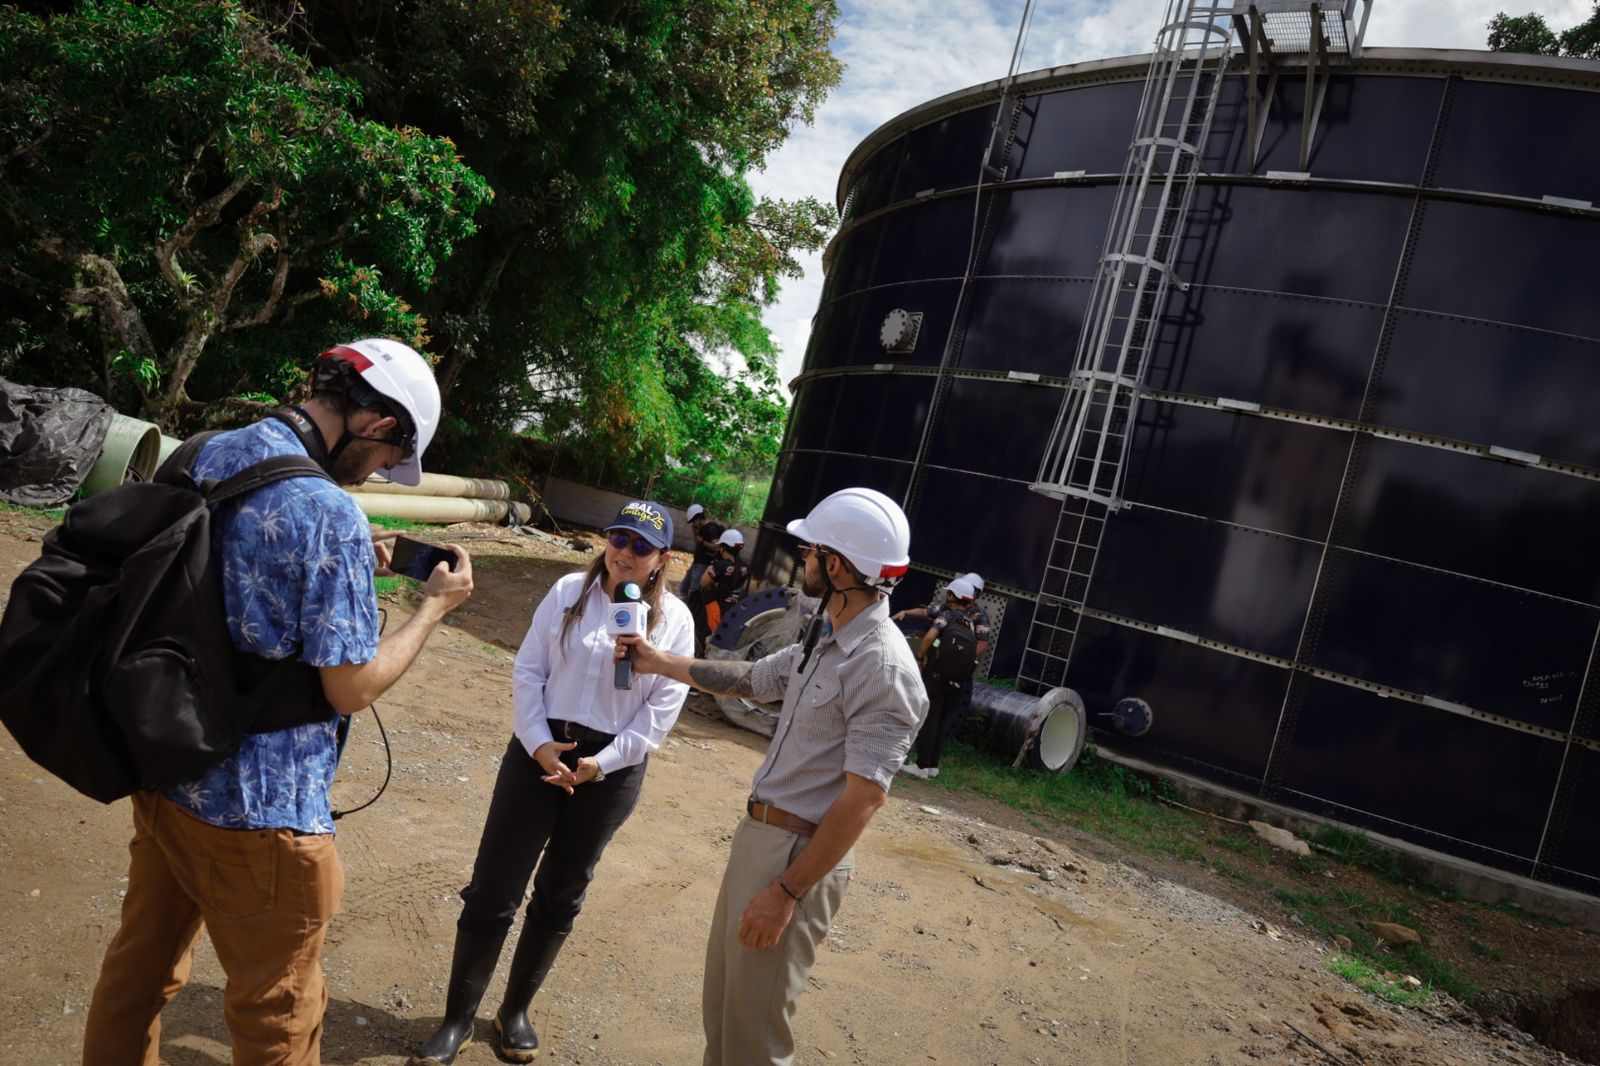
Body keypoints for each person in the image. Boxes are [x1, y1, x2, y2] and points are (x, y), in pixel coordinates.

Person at [82, 339, 475, 1066]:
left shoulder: (209, 449)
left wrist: (349, 559)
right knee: (279, 1020)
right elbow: (350, 688)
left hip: (166, 773)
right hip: (261, 817)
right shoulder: (327, 513)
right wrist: (432, 610)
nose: (377, 472)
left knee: (138, 975)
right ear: (379, 424)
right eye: (389, 458)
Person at [618, 486, 927, 1066]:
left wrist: (786, 892)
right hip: (762, 839)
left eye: (811, 550)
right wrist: (656, 661)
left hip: (796, 857)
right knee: (726, 1012)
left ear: (837, 566)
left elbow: (863, 800)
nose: (802, 558)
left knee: (755, 1037)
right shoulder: (826, 632)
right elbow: (755, 680)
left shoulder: (883, 668)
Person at [409, 499, 693, 1066]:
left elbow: (660, 712)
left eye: (641, 546)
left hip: (608, 771)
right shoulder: (567, 592)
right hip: (538, 752)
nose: (625, 552)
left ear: (663, 558)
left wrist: (600, 764)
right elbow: (528, 671)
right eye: (618, 538)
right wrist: (540, 744)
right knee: (494, 887)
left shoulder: (676, 622)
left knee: (562, 891)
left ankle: (513, 1012)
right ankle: (457, 1019)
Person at [900, 576, 991, 779]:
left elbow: (930, 637)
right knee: (941, 720)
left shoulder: (948, 615)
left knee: (929, 717)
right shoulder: (970, 621)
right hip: (958, 678)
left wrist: (919, 657)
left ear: (952, 596)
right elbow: (980, 646)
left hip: (937, 674)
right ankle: (932, 765)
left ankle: (921, 766)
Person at [697, 527, 752, 645]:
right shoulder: (745, 567)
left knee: (707, 637)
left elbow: (703, 583)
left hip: (716, 608)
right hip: (734, 609)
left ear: (724, 548)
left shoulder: (719, 566)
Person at [679, 502, 713, 598]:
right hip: (697, 562)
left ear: (699, 518)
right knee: (683, 589)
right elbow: (697, 542)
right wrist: (694, 531)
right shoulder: (701, 529)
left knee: (693, 592)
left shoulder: (711, 528)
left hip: (703, 564)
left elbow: (716, 546)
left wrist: (702, 541)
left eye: (694, 521)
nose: (693, 524)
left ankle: (690, 606)